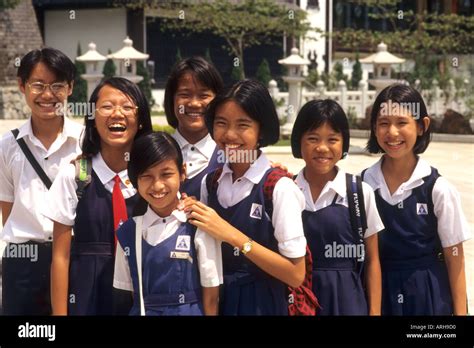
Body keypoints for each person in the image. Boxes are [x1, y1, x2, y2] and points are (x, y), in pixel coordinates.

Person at [188, 80, 306, 315]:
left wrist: (231, 235)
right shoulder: (210, 184)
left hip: (263, 302)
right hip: (218, 300)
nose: (230, 134)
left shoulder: (279, 188)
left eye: (243, 125)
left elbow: (295, 274)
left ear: (261, 130)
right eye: (221, 123)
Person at [44, 77, 152, 315]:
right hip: (87, 297)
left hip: (143, 295)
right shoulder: (74, 175)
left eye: (127, 107)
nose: (117, 113)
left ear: (141, 120)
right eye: (106, 106)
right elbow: (60, 257)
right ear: (92, 118)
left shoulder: (154, 178)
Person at [363, 83, 471, 315]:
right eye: (383, 123)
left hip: (428, 296)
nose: (392, 133)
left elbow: (455, 258)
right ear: (374, 128)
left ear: (422, 126)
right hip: (378, 294)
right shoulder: (362, 186)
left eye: (402, 123)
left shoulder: (437, 189)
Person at [0, 47, 82, 315]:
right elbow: (7, 210)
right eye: (38, 85)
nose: (48, 95)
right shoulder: (7, 147)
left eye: (57, 85)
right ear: (22, 86)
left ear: (70, 88)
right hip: (22, 262)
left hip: (75, 258)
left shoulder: (85, 143)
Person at [290, 99, 383, 315]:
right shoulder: (286, 189)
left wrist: (375, 311)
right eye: (313, 139)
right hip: (298, 298)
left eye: (332, 139)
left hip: (347, 300)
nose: (322, 148)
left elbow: (372, 260)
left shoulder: (359, 193)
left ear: (343, 144)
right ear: (298, 141)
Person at [113, 132, 222, 315]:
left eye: (166, 174)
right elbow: (130, 293)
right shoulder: (127, 233)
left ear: (182, 173)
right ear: (134, 181)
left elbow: (211, 296)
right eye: (146, 176)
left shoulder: (199, 225)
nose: (157, 186)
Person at [164, 57, 224, 199]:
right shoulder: (155, 152)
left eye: (204, 95)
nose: (195, 103)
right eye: (185, 95)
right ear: (172, 99)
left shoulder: (232, 157)